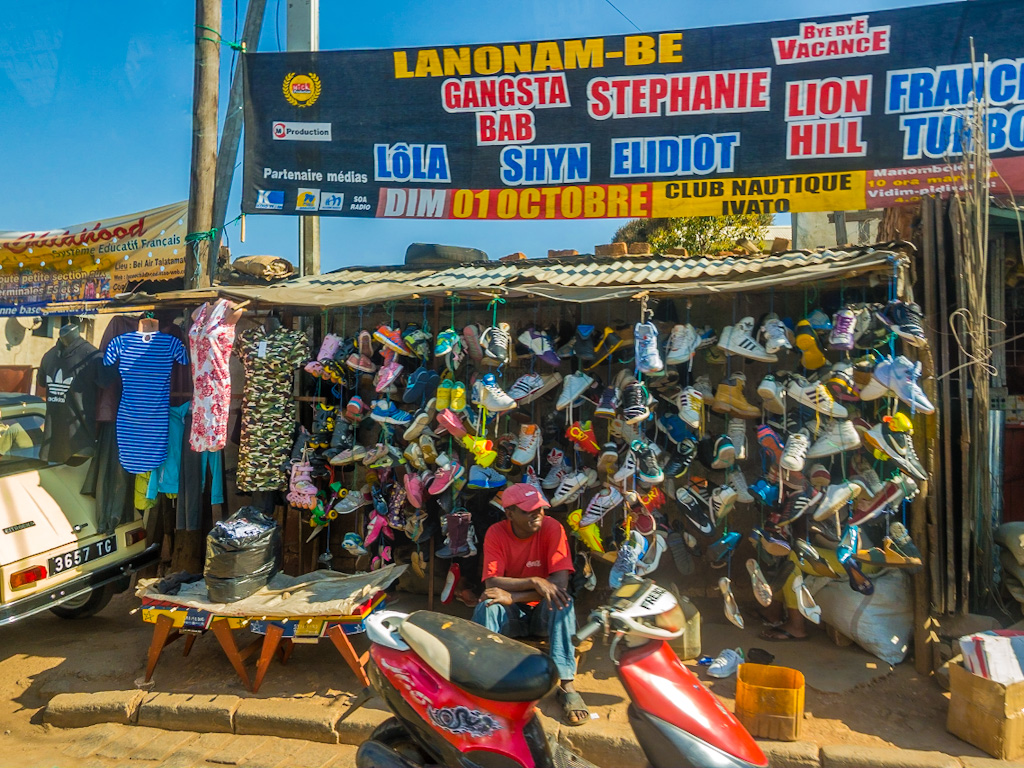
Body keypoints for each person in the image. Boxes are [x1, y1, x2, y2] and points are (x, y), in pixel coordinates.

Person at [472, 482, 589, 726]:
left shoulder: (552, 528)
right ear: (510, 514)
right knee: (488, 604)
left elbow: (559, 584)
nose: (537, 514)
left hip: (543, 614)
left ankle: (567, 686)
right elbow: (492, 581)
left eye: (540, 509)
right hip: (512, 617)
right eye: (528, 510)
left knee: (563, 602)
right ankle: (483, 683)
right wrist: (534, 582)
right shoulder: (496, 533)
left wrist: (514, 596)